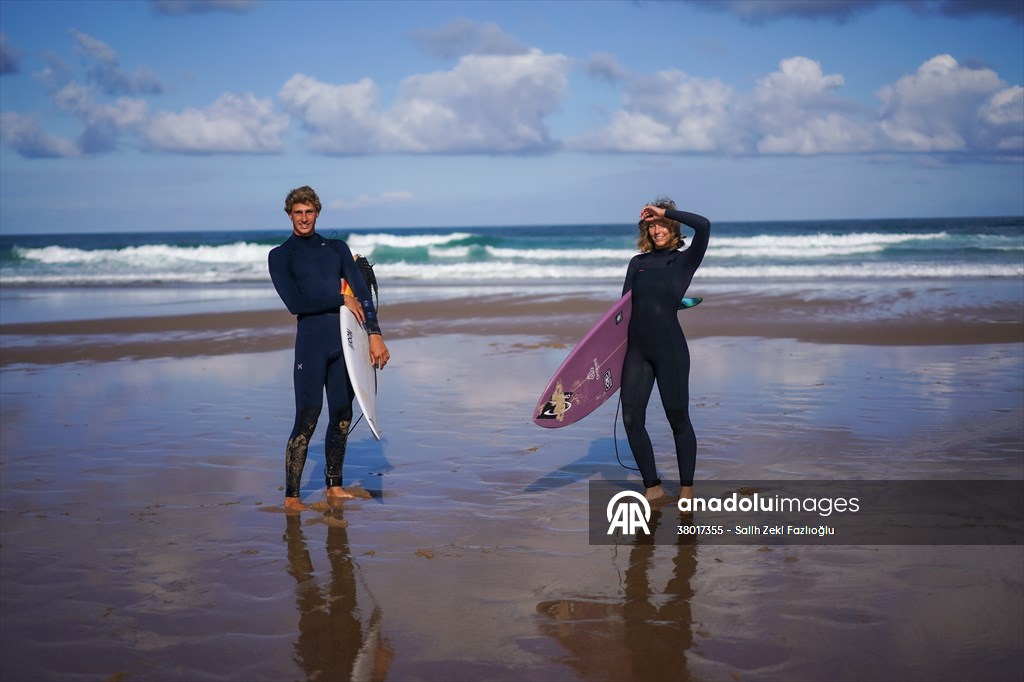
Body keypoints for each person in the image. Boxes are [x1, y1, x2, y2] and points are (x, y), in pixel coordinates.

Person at [268, 185, 390, 512]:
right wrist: (340, 298)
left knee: (342, 414)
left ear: (317, 213)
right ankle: (292, 497)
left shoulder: (336, 248)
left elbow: (362, 294)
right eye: (298, 213)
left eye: (309, 212)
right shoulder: (281, 256)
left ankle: (333, 487)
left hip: (344, 343)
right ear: (290, 215)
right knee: (308, 416)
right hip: (311, 343)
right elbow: (296, 303)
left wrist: (375, 334)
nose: (304, 218)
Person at [620, 197, 711, 503]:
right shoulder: (638, 263)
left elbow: (704, 226)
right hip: (636, 349)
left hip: (669, 347)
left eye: (663, 224)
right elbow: (624, 310)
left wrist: (664, 211)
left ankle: (686, 488)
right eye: (653, 225)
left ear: (673, 228)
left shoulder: (684, 260)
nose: (658, 230)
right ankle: (652, 486)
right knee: (631, 419)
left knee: (678, 418)